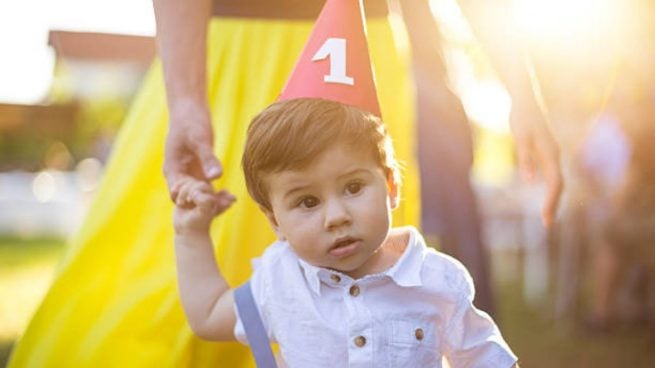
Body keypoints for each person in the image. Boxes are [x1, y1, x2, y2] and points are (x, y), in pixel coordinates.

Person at [173, 97, 519, 367]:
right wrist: (191, 236)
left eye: (353, 187)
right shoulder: (279, 279)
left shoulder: (437, 279)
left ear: (391, 186)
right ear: (275, 222)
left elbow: (486, 361)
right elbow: (208, 315)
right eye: (307, 201)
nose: (336, 217)